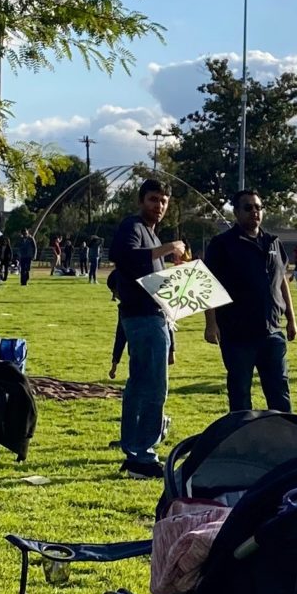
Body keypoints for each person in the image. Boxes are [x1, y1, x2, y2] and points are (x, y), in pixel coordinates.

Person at [203, 189, 297, 413]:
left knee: (279, 391)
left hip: (272, 332)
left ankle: (286, 440)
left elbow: (281, 281)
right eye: (248, 207)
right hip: (237, 334)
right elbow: (208, 285)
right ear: (236, 212)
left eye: (258, 207)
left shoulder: (273, 242)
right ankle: (242, 440)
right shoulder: (222, 244)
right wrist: (211, 324)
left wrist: (291, 319)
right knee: (240, 393)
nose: (254, 212)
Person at [109, 180, 173, 477]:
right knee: (153, 387)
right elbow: (123, 257)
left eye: (163, 201)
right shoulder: (133, 227)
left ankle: (133, 443)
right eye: (153, 199)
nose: (158, 206)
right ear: (140, 200)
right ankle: (142, 456)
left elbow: (149, 276)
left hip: (153, 315)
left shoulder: (150, 233)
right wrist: (167, 248)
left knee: (139, 384)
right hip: (143, 318)